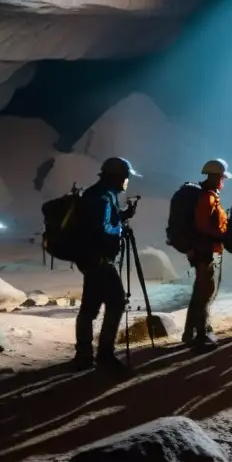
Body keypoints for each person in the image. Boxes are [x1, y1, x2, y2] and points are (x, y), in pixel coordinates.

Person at [73, 156, 140, 373]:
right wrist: (120, 229)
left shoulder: (97, 193)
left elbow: (100, 222)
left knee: (89, 308)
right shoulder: (102, 197)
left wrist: (122, 216)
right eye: (126, 177)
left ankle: (84, 355)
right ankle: (105, 355)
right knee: (116, 302)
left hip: (89, 260)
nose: (127, 181)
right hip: (100, 261)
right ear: (117, 177)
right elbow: (103, 228)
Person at [181, 158, 232, 352]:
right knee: (204, 293)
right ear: (217, 177)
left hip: (203, 250)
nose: (224, 181)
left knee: (200, 292)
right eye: (223, 177)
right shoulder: (207, 198)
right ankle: (202, 336)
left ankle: (189, 333)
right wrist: (224, 235)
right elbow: (203, 225)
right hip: (205, 252)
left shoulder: (208, 195)